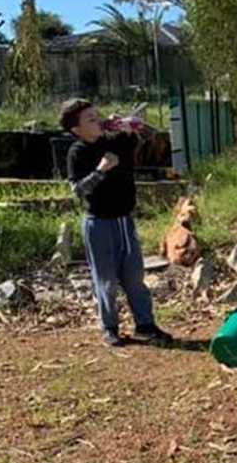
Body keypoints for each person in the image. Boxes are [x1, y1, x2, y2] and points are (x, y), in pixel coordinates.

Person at [60, 99, 172, 348]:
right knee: (106, 281)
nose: (97, 120)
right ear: (76, 129)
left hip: (124, 220)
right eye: (90, 119)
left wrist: (129, 125)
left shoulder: (115, 140)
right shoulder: (77, 152)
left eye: (96, 115)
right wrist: (101, 170)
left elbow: (152, 137)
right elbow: (77, 190)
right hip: (98, 223)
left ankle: (145, 325)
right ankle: (109, 327)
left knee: (134, 277)